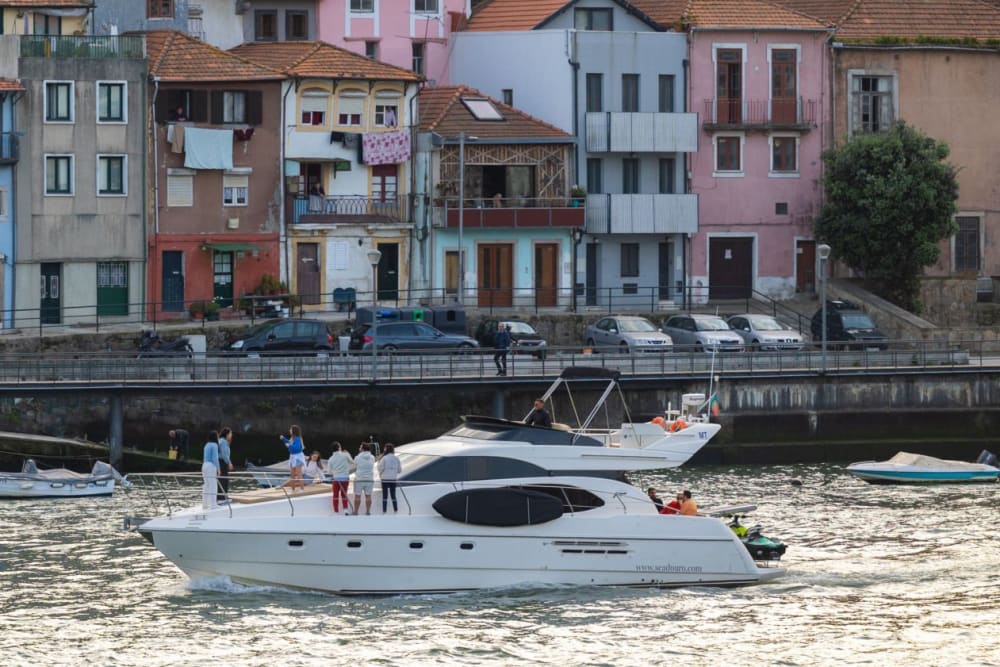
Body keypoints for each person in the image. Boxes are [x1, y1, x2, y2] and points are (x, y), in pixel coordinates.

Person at [328, 441, 354, 513]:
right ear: (339, 448)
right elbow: (352, 462)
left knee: (335, 495)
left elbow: (329, 472)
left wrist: (335, 472)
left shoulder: (331, 459)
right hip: (345, 478)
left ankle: (336, 511)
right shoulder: (345, 455)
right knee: (344, 494)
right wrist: (348, 453)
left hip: (336, 479)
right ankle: (345, 509)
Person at [280, 424, 306, 492]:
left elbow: (296, 448)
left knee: (298, 473)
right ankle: (293, 489)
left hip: (298, 457)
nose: (289, 430)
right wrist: (283, 439)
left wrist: (288, 446)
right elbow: (289, 443)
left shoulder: (297, 438)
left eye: (290, 429)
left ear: (293, 431)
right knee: (292, 474)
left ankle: (302, 489)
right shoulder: (292, 438)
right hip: (292, 457)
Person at [352, 442, 376, 515]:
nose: (359, 448)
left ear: (362, 449)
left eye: (360, 447)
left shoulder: (357, 457)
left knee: (357, 496)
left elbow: (354, 466)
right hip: (369, 479)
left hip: (359, 479)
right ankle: (368, 511)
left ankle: (356, 512)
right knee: (368, 496)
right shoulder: (372, 457)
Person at [378, 443, 402, 513]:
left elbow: (380, 468)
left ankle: (384, 511)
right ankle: (395, 510)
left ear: (386, 449)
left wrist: (382, 473)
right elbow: (399, 470)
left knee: (385, 495)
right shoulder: (396, 458)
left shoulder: (384, 458)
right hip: (393, 479)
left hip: (385, 479)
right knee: (393, 495)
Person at [201, 430, 220, 510]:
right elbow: (215, 458)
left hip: (204, 465)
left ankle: (205, 505)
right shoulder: (214, 445)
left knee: (206, 485)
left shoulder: (207, 444)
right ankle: (213, 505)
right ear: (215, 437)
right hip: (211, 465)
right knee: (213, 485)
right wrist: (218, 468)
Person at [217, 427, 234, 502]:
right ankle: (222, 498)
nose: (231, 435)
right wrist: (229, 462)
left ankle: (222, 497)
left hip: (220, 462)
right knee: (224, 479)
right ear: (227, 434)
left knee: (222, 479)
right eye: (230, 433)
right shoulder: (223, 441)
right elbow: (224, 454)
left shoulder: (221, 440)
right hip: (222, 462)